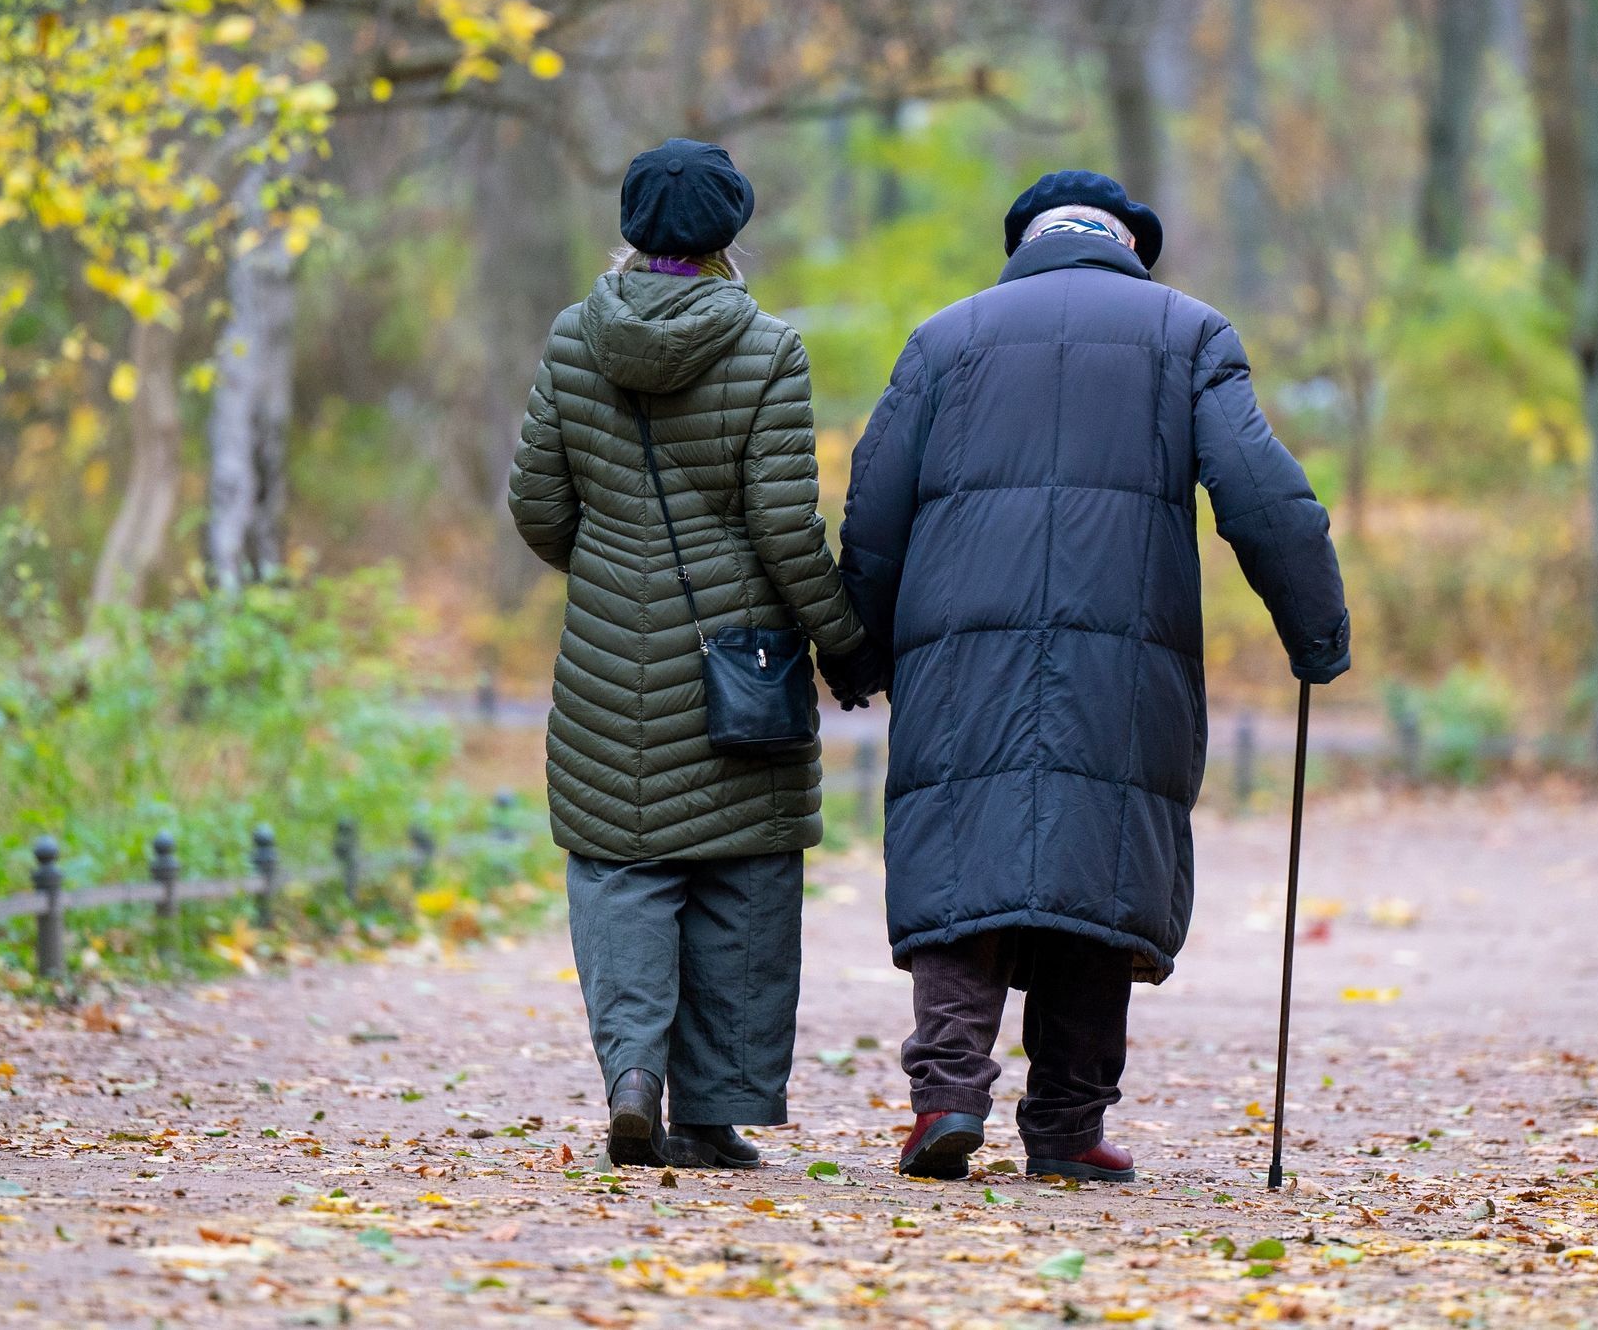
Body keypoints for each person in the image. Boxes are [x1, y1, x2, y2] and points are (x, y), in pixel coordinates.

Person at [828, 171, 1351, 1182]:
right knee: (1094, 860)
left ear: (1022, 242)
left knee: (960, 857)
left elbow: (874, 508)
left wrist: (855, 648)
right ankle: (1065, 1126)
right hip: (1125, 653)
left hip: (959, 655)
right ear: (1128, 245)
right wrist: (1313, 628)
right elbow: (1265, 498)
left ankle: (944, 1095)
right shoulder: (1188, 333)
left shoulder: (944, 338)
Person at [509, 138, 882, 1170]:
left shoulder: (573, 337)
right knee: (739, 880)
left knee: (622, 867)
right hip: (739, 665)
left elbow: (537, 506)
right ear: (730, 231)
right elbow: (780, 523)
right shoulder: (767, 347)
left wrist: (607, 571)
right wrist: (843, 643)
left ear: (631, 226)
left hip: (602, 661)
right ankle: (710, 1116)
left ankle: (633, 1077)